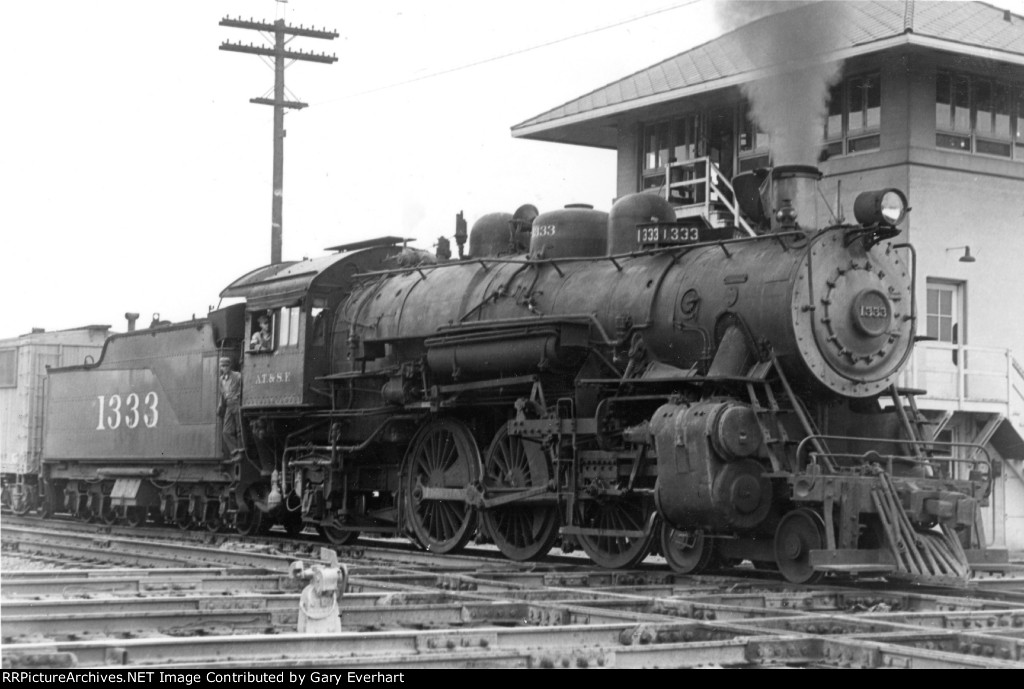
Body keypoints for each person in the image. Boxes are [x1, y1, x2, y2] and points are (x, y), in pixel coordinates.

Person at [218, 357, 242, 457]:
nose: (224, 368)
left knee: (239, 429)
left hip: (236, 403)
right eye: (222, 366)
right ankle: (235, 450)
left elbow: (243, 388)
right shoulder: (221, 380)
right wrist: (220, 405)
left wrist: (238, 396)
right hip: (228, 404)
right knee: (226, 432)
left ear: (230, 366)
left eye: (226, 366)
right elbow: (222, 394)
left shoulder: (237, 376)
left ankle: (241, 451)